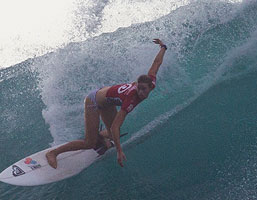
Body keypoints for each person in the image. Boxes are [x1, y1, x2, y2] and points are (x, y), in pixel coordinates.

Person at [46, 38, 168, 169]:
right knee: (89, 143)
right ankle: (53, 153)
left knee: (112, 134)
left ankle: (99, 137)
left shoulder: (151, 80)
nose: (140, 92)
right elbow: (116, 126)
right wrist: (119, 151)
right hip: (93, 101)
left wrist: (163, 47)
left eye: (144, 89)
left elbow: (156, 63)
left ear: (151, 86)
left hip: (108, 102)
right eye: (138, 88)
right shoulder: (131, 99)